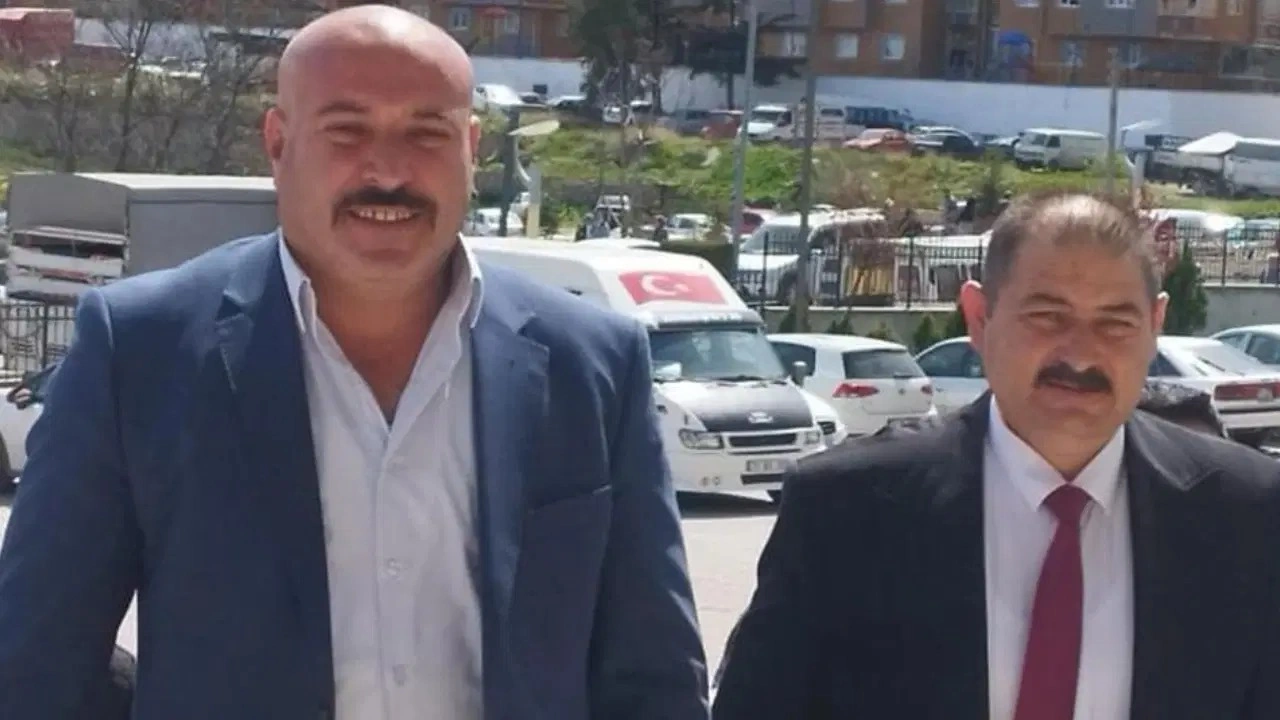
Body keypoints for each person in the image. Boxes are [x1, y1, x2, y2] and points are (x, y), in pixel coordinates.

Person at [0, 7, 707, 720]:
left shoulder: (593, 363)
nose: (389, 170)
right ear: (278, 144)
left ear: (471, 148)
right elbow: (36, 660)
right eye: (347, 131)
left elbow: (654, 681)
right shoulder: (141, 351)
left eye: (426, 133)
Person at [713, 192, 1280, 719]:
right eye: (1047, 316)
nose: (1081, 354)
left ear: (1155, 326)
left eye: (1115, 323)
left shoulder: (1248, 516)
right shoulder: (846, 512)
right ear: (979, 318)